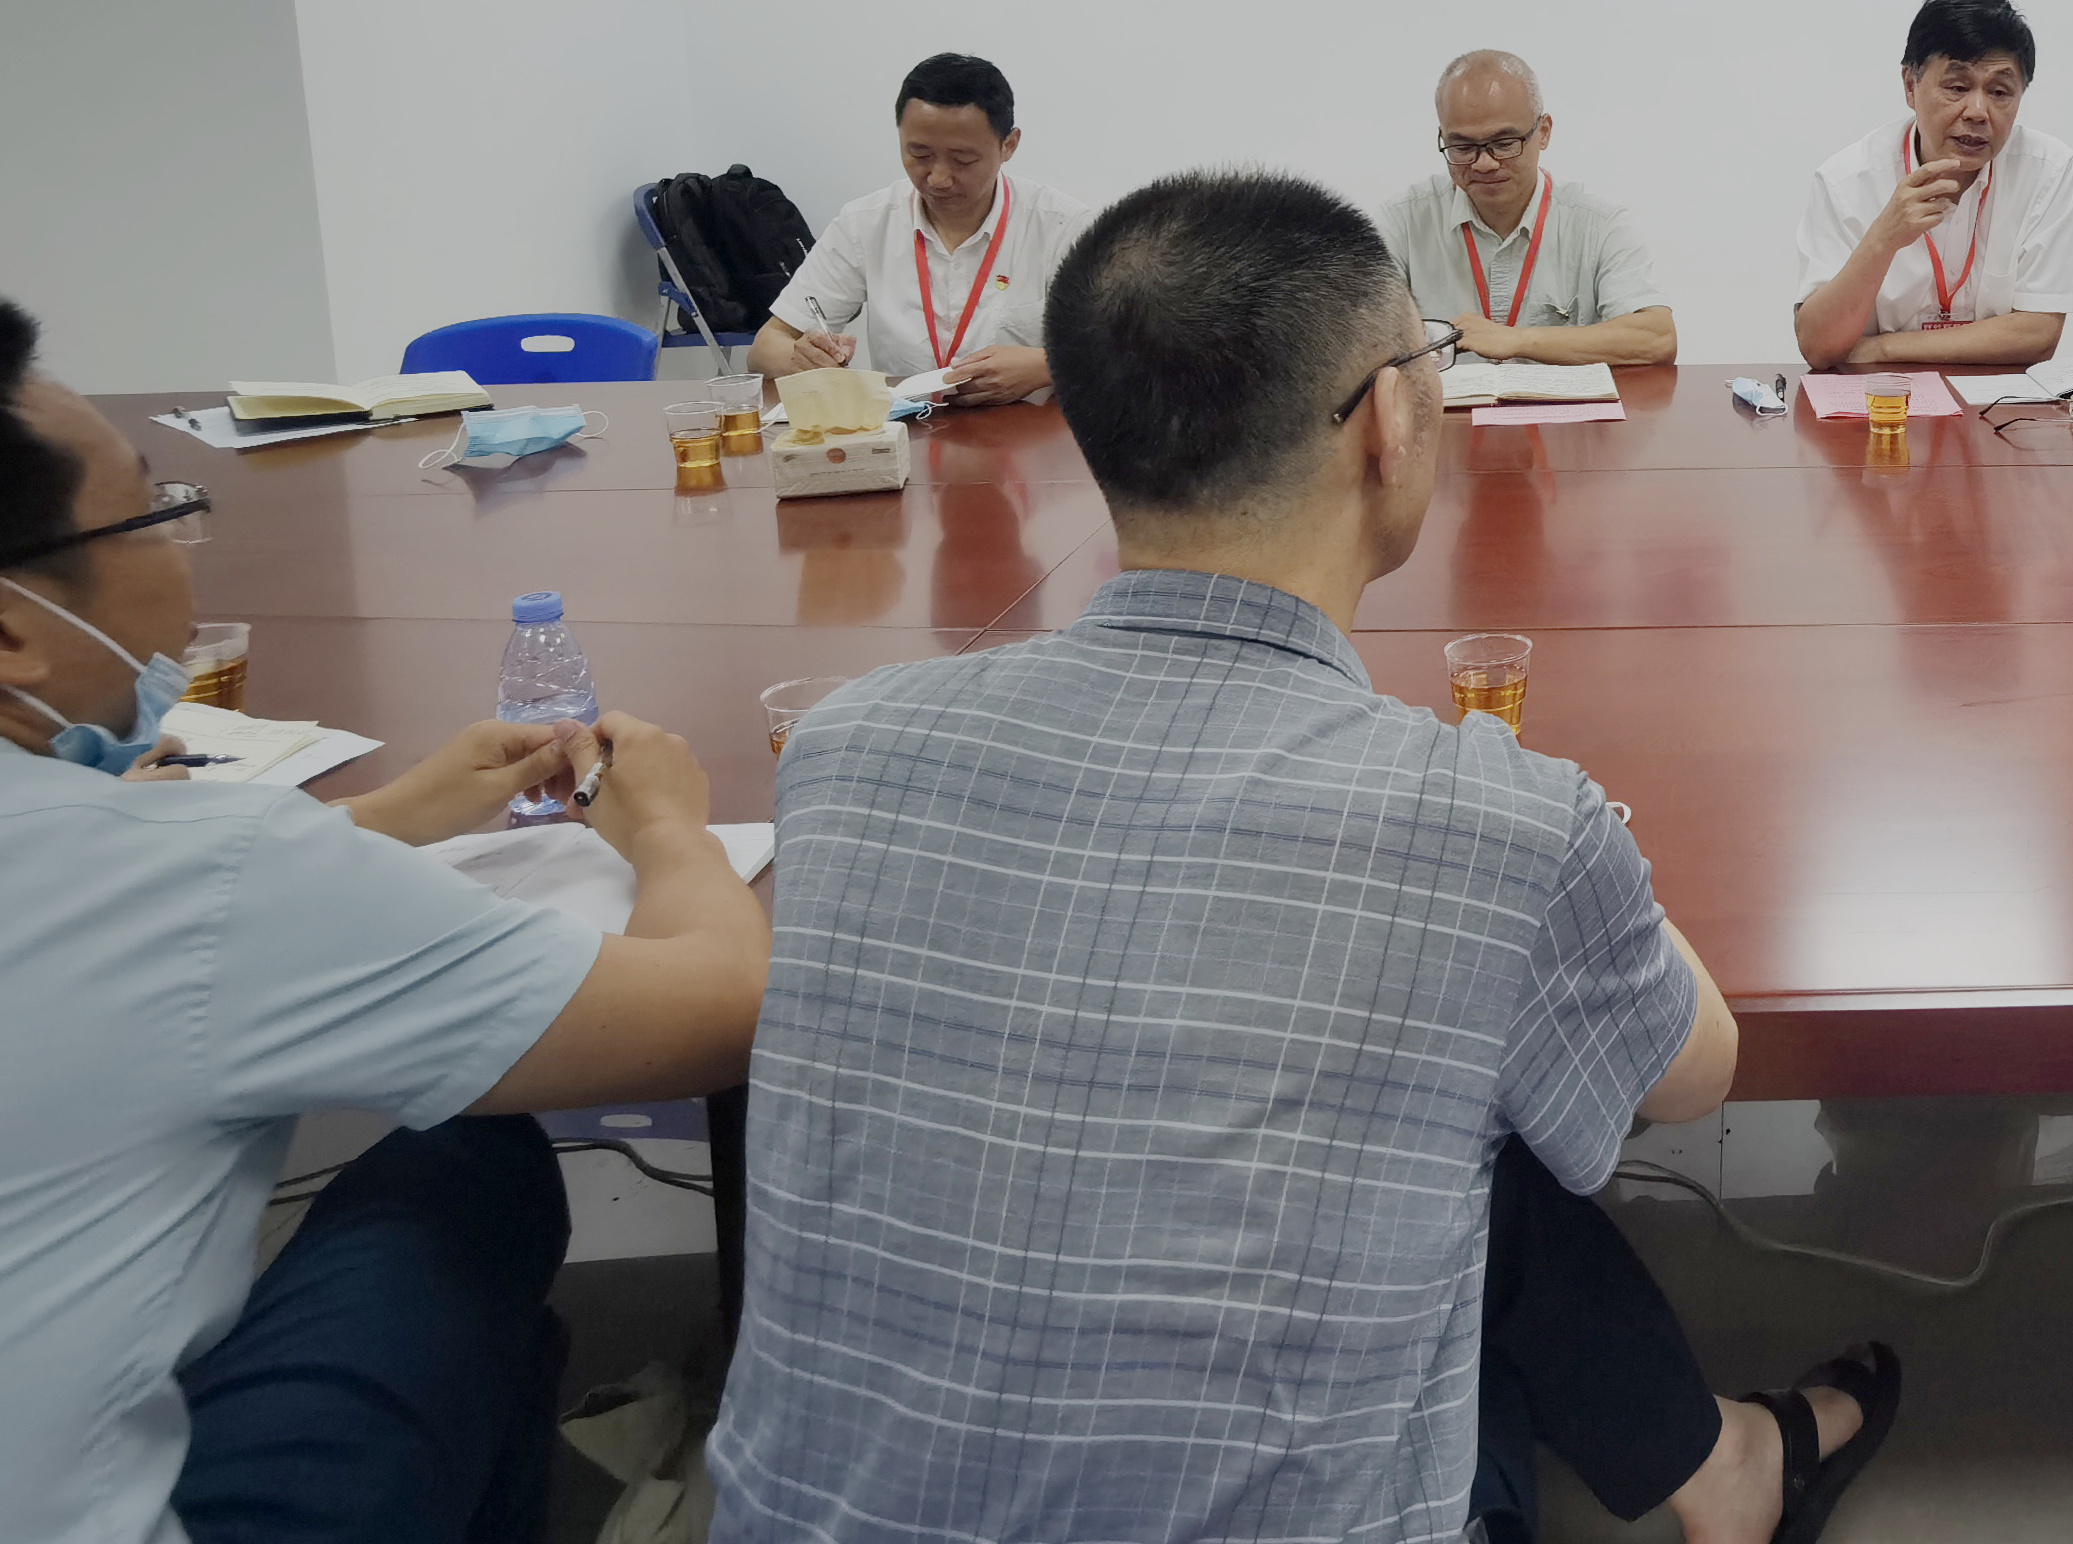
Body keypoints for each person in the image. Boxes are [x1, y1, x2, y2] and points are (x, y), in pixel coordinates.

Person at [710, 172, 1896, 1544]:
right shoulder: (1495, 820)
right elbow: (1695, 1072)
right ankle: (1725, 1469)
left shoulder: (846, 748)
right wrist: (1560, 843)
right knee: (1475, 1124)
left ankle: (1722, 1466)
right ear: (1391, 421)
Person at [0, 298, 770, 1544]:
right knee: (472, 1159)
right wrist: (670, 825)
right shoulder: (196, 874)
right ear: (11, 631)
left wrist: (391, 814)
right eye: (157, 511)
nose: (186, 552)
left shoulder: (155, 862)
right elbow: (721, 1007)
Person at [752, 51, 1090, 405]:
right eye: (920, 155)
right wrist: (802, 358)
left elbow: (1124, 353)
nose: (938, 178)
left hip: (1026, 434)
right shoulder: (865, 223)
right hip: (905, 430)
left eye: (963, 159)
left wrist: (1047, 366)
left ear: (1009, 145)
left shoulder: (1062, 228)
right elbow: (765, 348)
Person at [1795, 0, 2073, 372]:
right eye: (1957, 87)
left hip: (1996, 402)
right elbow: (1818, 346)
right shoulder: (1846, 182)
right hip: (1881, 401)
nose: (1978, 112)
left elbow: (2038, 333)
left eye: (1999, 92)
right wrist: (1883, 239)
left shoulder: (2047, 170)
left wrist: (1882, 348)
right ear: (1910, 85)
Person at [1381, 49, 1676, 367]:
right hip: (1447, 401)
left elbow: (1657, 339)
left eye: (1504, 144)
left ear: (1544, 132)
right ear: (1442, 137)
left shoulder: (1599, 224)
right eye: (1462, 147)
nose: (1484, 163)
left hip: (1556, 402)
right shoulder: (1404, 222)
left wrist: (1518, 340)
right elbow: (1355, 339)